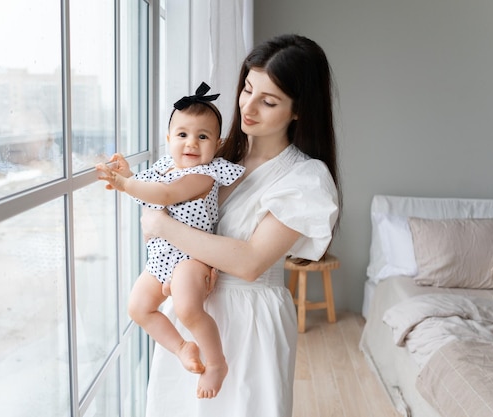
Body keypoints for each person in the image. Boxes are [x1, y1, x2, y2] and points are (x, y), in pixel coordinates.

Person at [141, 34, 342, 417]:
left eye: (268, 101)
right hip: (191, 309)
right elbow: (159, 201)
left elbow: (250, 262)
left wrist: (161, 225)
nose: (248, 107)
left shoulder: (304, 179)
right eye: (247, 89)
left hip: (251, 318)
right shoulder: (214, 149)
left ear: (299, 110)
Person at [96, 82, 245, 399]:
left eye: (202, 136)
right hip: (161, 260)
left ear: (216, 145)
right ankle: (181, 347)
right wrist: (131, 176)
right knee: (138, 308)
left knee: (188, 308)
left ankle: (216, 363)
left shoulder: (205, 174)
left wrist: (124, 185)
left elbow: (165, 195)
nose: (191, 143)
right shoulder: (164, 167)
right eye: (182, 135)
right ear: (168, 140)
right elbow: (150, 192)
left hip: (193, 257)